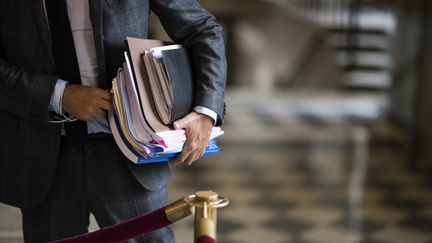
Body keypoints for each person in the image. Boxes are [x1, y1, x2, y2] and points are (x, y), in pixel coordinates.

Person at [0, 0, 226, 242]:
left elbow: (202, 28)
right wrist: (57, 95)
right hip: (41, 156)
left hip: (129, 154)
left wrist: (206, 111)